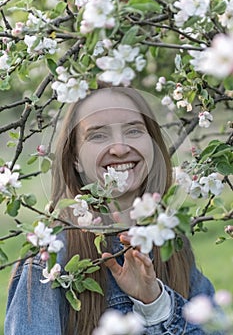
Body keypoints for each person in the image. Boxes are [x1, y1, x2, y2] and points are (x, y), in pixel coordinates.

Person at [5, 87, 220, 335]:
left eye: (134, 130)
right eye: (97, 136)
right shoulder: (51, 256)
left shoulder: (171, 242)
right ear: (75, 157)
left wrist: (156, 305)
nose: (119, 148)